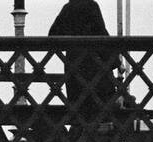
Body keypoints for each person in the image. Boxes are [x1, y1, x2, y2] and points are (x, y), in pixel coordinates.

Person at [49, 0, 116, 131]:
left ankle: (78, 138)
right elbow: (102, 36)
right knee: (99, 110)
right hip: (94, 67)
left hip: (73, 67)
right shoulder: (92, 6)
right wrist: (115, 62)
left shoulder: (68, 8)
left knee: (79, 112)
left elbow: (53, 35)